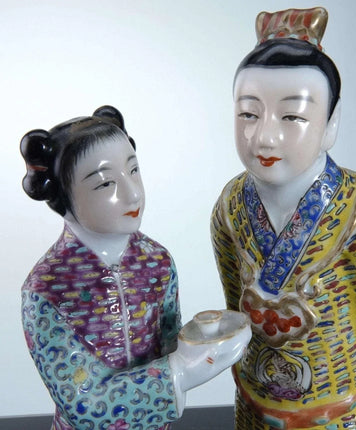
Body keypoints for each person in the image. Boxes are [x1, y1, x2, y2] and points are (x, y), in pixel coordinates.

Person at [211, 7, 356, 430]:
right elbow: (235, 302)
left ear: (330, 123)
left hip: (339, 412)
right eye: (249, 113)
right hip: (254, 404)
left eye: (292, 117)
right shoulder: (230, 208)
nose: (264, 136)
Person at [21, 106, 249, 430]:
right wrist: (181, 371)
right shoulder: (45, 290)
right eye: (105, 184)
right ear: (62, 195)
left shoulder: (157, 263)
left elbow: (169, 344)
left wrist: (203, 341)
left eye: (133, 170)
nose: (133, 193)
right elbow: (83, 404)